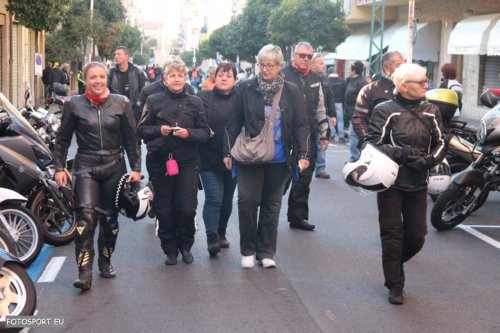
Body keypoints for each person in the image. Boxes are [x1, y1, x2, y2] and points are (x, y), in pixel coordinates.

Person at [53, 62, 142, 291]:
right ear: (86, 80)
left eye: (102, 76)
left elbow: (132, 139)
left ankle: (105, 261)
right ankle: (84, 272)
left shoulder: (121, 102)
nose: (98, 81)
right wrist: (59, 167)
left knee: (110, 221)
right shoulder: (73, 104)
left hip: (115, 165)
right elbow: (62, 139)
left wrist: (136, 168)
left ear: (107, 78)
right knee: (85, 220)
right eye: (93, 77)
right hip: (86, 166)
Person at [223, 44, 310, 269]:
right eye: (261, 64)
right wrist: (227, 151)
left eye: (270, 65)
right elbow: (233, 122)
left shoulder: (291, 90)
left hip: (280, 159)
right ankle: (248, 250)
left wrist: (303, 153)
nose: (264, 69)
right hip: (250, 156)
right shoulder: (245, 87)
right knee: (247, 201)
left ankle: (266, 251)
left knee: (272, 205)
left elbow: (301, 124)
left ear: (280, 66)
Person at [365, 63, 445, 304]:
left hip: (419, 183)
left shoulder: (432, 109)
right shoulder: (384, 109)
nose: (426, 85)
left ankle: (393, 263)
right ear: (404, 85)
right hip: (390, 182)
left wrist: (430, 160)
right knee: (391, 236)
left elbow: (442, 142)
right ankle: (395, 284)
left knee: (417, 236)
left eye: (426, 81)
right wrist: (405, 154)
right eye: (422, 82)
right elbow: (372, 142)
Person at [137, 59, 210, 266]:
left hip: (187, 161)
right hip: (160, 161)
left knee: (186, 208)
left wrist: (189, 134)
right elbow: (141, 130)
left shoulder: (194, 102)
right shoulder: (153, 99)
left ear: (185, 78)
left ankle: (186, 246)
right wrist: (159, 130)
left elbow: (205, 132)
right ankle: (169, 249)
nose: (177, 79)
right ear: (165, 79)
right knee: (164, 208)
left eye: (180, 75)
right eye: (173, 75)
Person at [282, 41, 329, 231]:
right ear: (294, 55)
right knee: (282, 179)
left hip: (309, 135)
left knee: (304, 179)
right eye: (302, 55)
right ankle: (267, 211)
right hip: (285, 135)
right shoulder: (282, 75)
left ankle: (298, 217)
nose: (305, 59)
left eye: (309, 56)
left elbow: (320, 107)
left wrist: (325, 133)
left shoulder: (316, 78)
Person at [197, 62, 238, 256]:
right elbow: (193, 118)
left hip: (234, 157)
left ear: (235, 80)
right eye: (221, 74)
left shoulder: (241, 99)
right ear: (215, 77)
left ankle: (222, 232)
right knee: (214, 197)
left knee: (227, 199)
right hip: (208, 156)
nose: (224, 78)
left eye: (228, 76)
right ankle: (211, 237)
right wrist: (203, 129)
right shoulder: (203, 97)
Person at [352, 51, 405, 148]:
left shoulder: (409, 88)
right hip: (378, 148)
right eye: (399, 65)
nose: (403, 69)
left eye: (404, 65)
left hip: (404, 149)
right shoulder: (370, 90)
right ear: (386, 67)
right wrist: (368, 142)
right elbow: (358, 119)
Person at [310, 55, 336, 179]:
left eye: (323, 63)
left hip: (322, 115)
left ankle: (320, 168)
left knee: (322, 139)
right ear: (312, 64)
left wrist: (333, 115)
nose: (323, 65)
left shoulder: (325, 79)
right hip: (308, 115)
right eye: (320, 63)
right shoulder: (307, 77)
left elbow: (330, 97)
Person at [108, 46, 148, 124]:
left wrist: (138, 108)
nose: (116, 56)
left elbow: (144, 92)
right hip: (116, 111)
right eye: (115, 54)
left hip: (134, 112)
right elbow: (107, 91)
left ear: (126, 56)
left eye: (119, 54)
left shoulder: (138, 72)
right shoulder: (111, 73)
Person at [345, 61, 368, 162]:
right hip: (351, 113)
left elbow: (364, 99)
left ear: (354, 70)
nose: (348, 70)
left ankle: (355, 158)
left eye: (350, 68)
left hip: (357, 114)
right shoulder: (351, 80)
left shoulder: (362, 82)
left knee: (353, 136)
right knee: (353, 136)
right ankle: (355, 158)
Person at [327, 66, 347, 143]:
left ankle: (332, 135)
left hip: (330, 103)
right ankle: (341, 136)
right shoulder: (342, 81)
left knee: (331, 119)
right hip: (339, 102)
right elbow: (345, 92)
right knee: (340, 119)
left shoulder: (327, 81)